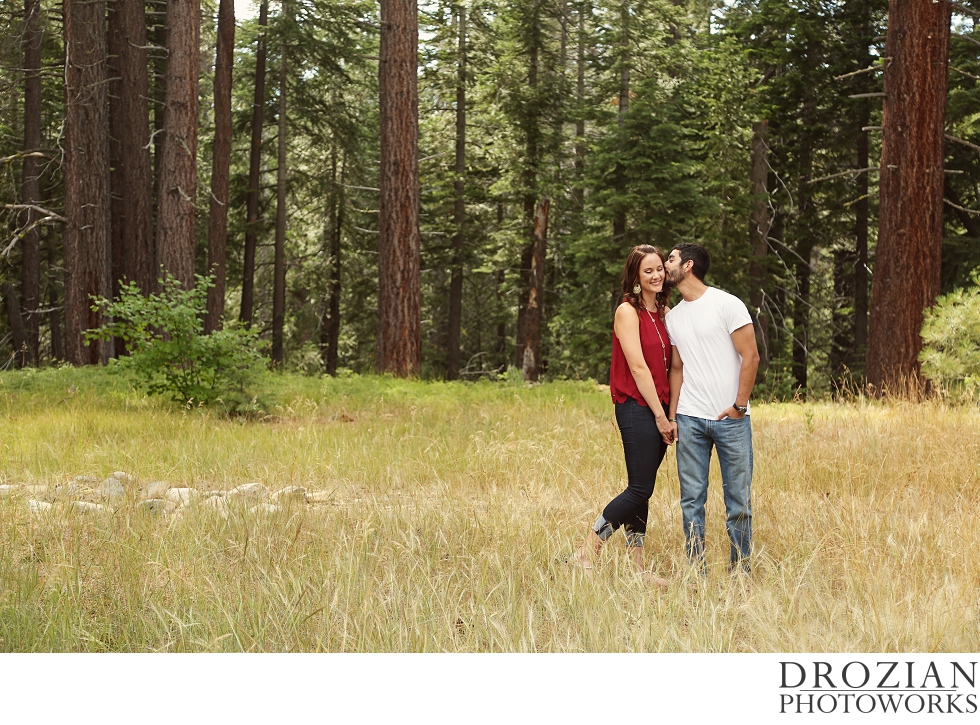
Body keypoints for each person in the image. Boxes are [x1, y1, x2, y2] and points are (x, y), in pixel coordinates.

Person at [570, 245, 675, 585]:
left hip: (659, 406)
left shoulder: (663, 310)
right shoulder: (627, 312)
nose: (656, 275)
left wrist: (670, 414)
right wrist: (660, 417)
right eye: (648, 271)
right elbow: (639, 368)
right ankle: (586, 550)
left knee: (641, 487)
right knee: (640, 488)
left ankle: (637, 568)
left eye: (659, 268)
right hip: (636, 406)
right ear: (635, 277)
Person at [663, 243, 760, 575]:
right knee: (691, 502)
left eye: (671, 259)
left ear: (687, 265)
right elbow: (676, 368)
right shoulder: (673, 317)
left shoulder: (726, 304)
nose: (665, 265)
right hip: (690, 420)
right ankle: (696, 572)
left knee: (739, 505)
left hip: (731, 420)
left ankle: (740, 574)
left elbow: (751, 356)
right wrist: (674, 415)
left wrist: (739, 406)